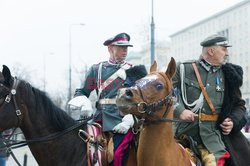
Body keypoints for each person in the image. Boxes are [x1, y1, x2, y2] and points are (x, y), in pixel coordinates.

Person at [68, 32, 147, 166]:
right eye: (121, 47)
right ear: (110, 48)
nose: (125, 50)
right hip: (100, 118)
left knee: (117, 155)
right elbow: (81, 92)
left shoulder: (134, 70)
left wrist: (130, 119)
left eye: (126, 48)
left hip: (123, 120)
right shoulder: (97, 69)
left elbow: (144, 98)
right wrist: (85, 102)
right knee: (81, 150)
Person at [173, 34, 250, 166]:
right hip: (183, 132)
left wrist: (232, 121)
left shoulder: (229, 75)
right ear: (211, 51)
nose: (227, 53)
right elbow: (164, 93)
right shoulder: (183, 69)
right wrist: (180, 110)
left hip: (213, 136)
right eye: (224, 49)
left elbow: (239, 106)